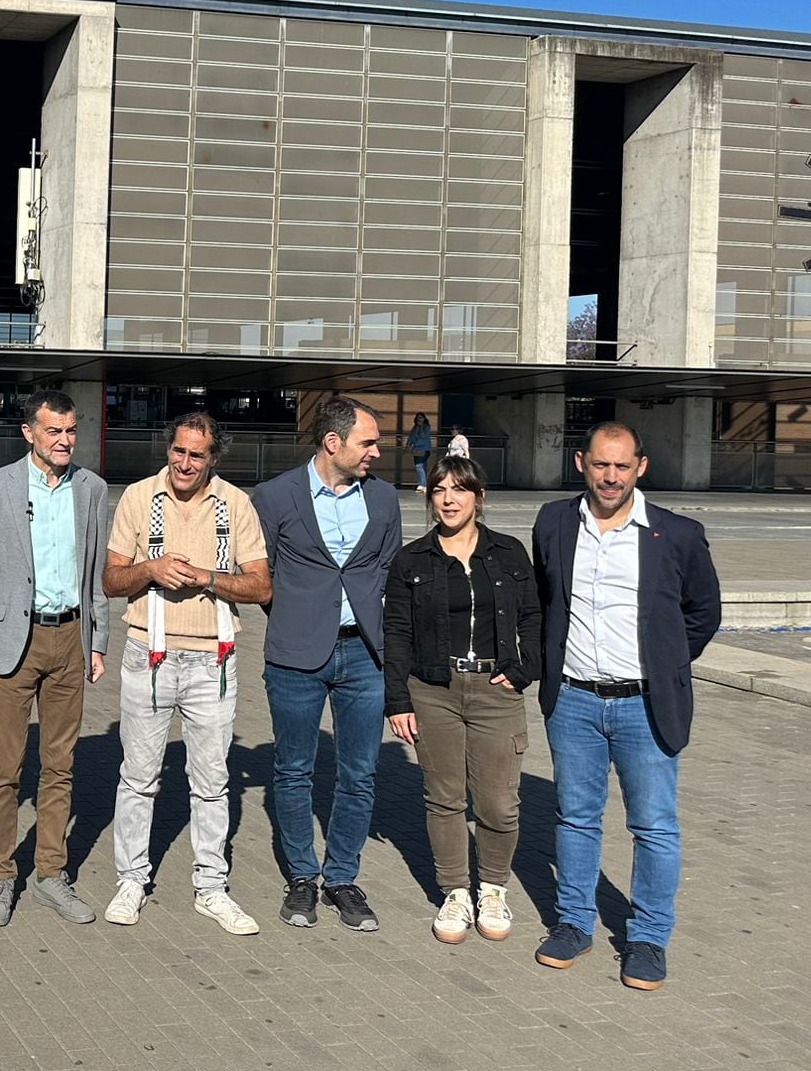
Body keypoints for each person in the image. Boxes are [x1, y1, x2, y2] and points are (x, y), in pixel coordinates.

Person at [531, 422, 720, 991]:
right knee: (575, 818)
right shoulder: (554, 522)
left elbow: (702, 614)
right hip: (573, 701)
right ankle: (573, 924)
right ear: (581, 463)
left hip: (645, 704)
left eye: (621, 465)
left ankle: (647, 938)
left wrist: (663, 663)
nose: (610, 477)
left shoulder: (678, 534)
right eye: (600, 464)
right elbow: (547, 601)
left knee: (655, 826)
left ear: (641, 467)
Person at [100, 412, 272, 933]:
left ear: (212, 459)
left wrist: (205, 577)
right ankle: (131, 880)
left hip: (212, 661)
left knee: (213, 782)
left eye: (196, 455)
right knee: (138, 776)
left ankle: (211, 886)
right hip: (146, 654)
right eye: (178, 450)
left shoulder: (235, 504)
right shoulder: (138, 497)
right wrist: (149, 570)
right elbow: (110, 580)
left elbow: (260, 587)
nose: (184, 463)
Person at [252, 396, 402, 932]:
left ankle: (342, 878)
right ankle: (301, 879)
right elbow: (260, 574)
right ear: (332, 443)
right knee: (293, 771)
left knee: (359, 774)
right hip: (296, 655)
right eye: (368, 442)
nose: (377, 453)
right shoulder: (273, 496)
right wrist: (297, 617)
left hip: (364, 653)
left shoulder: (384, 499)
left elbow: (387, 570)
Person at [0, 390, 110, 927]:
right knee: (4, 768)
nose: (65, 440)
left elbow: (95, 570)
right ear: (29, 433)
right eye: (54, 431)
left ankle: (51, 874)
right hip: (10, 642)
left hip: (70, 637)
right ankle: (2, 877)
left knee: (61, 766)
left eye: (71, 430)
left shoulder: (92, 489)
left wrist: (97, 641)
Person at [383, 455, 540, 945]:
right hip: (434, 691)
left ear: (479, 497)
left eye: (459, 489)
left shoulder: (510, 553)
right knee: (445, 798)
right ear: (429, 498)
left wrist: (523, 670)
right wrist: (397, 700)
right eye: (439, 490)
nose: (449, 499)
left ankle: (492, 888)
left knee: (498, 802)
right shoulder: (412, 560)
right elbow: (397, 633)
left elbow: (534, 617)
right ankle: (454, 891)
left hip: (496, 691)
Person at [409, 413, 433, 491]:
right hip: (416, 450)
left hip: (424, 449)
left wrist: (421, 427)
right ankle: (424, 484)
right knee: (422, 466)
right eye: (418, 418)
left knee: (419, 466)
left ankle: (422, 484)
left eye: (421, 418)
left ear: (424, 419)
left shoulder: (426, 427)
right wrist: (409, 445)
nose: (419, 420)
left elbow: (423, 437)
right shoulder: (415, 427)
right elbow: (411, 437)